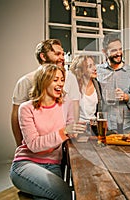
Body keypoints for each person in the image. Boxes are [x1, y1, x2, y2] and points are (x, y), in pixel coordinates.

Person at [10, 64, 85, 199]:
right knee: (65, 194)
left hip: (53, 164)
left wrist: (77, 130)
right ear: (43, 80)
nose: (61, 84)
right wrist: (64, 132)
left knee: (47, 197)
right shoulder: (26, 108)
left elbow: (69, 130)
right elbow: (34, 145)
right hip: (26, 163)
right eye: (55, 80)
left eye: (62, 79)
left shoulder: (65, 103)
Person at [11, 39, 80, 146]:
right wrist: (20, 145)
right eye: (57, 54)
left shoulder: (71, 78)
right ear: (43, 56)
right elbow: (16, 116)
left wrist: (71, 136)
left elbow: (74, 109)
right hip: (36, 144)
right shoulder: (26, 81)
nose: (62, 58)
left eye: (62, 54)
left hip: (62, 144)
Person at [97, 34, 130, 130]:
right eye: (114, 50)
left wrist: (126, 97)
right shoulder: (97, 71)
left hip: (126, 125)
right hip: (104, 126)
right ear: (104, 52)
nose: (119, 53)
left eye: (120, 49)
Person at [69, 55, 102, 122]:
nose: (95, 68)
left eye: (94, 65)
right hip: (79, 127)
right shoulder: (73, 86)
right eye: (90, 66)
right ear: (81, 70)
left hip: (94, 126)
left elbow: (99, 110)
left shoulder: (97, 85)